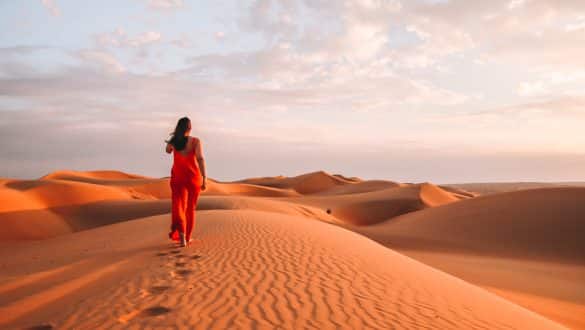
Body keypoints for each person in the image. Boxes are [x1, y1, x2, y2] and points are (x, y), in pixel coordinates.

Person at [165, 117, 207, 247]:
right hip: (193, 177)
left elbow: (167, 151)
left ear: (178, 127)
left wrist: (173, 140)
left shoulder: (174, 141)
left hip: (178, 178)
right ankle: (187, 238)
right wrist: (204, 178)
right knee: (190, 209)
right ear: (190, 128)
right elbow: (200, 158)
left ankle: (182, 237)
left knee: (178, 206)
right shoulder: (195, 141)